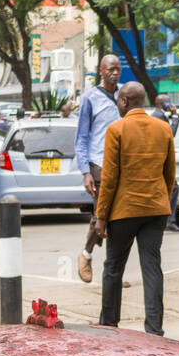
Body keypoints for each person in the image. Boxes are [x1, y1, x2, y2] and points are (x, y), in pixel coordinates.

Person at [94, 81, 176, 337]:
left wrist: (101, 216)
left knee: (113, 266)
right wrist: (159, 197)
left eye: (119, 100)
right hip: (155, 209)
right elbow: (169, 173)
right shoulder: (163, 129)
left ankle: (109, 324)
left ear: (125, 101)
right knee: (152, 267)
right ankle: (154, 329)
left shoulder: (116, 130)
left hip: (124, 211)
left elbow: (109, 178)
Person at [75, 54, 122, 283]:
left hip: (122, 165)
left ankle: (113, 270)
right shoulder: (90, 98)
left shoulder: (125, 94)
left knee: (121, 217)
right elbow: (81, 137)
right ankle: (86, 254)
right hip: (98, 164)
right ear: (101, 71)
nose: (115, 73)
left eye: (118, 69)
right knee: (101, 213)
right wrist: (86, 172)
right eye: (110, 69)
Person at [150, 95, 179, 232]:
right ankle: (168, 220)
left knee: (170, 187)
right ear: (164, 103)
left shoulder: (158, 114)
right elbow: (170, 133)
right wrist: (175, 116)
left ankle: (166, 219)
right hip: (159, 159)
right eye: (169, 101)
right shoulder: (158, 116)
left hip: (160, 159)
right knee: (173, 187)